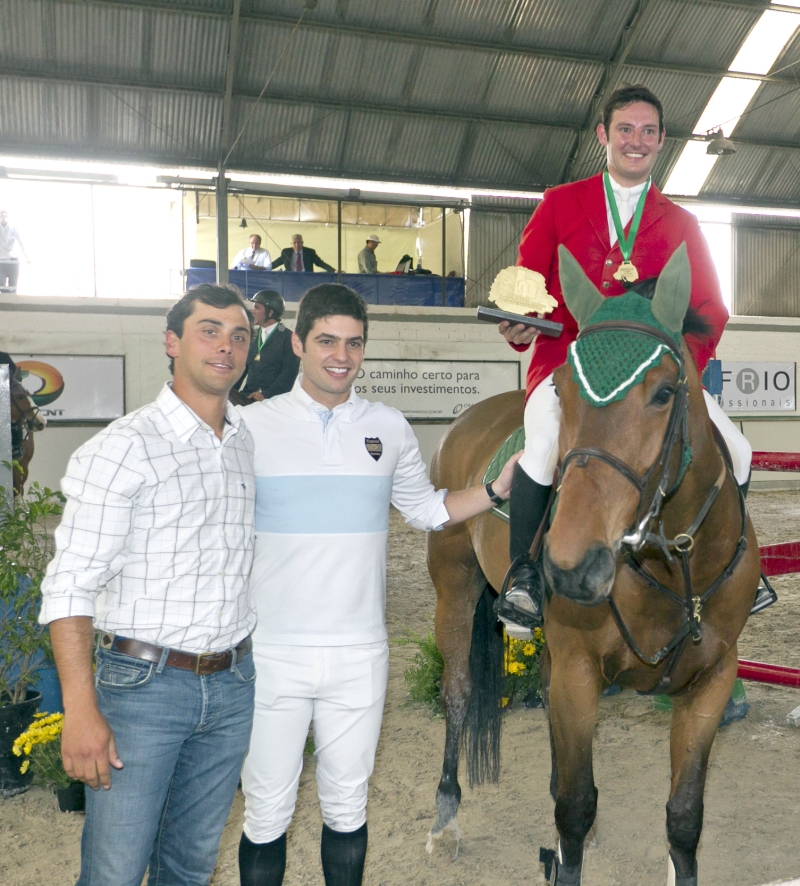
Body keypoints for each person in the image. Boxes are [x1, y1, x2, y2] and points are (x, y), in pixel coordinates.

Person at [236, 284, 521, 886]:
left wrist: (495, 491)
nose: (341, 355)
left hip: (359, 655)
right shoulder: (249, 427)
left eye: (354, 343)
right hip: (272, 655)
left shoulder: (387, 428)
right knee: (266, 814)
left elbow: (425, 508)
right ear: (298, 343)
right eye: (327, 341)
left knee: (347, 809)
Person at [493, 84, 762, 633]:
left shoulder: (682, 223)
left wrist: (676, 370)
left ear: (661, 140)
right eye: (624, 130)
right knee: (544, 443)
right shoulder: (559, 204)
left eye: (647, 132)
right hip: (576, 371)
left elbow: (710, 309)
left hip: (650, 377)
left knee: (736, 446)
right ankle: (523, 576)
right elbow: (525, 291)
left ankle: (735, 571)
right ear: (604, 136)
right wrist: (518, 323)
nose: (635, 141)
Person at [40, 284, 258, 886]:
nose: (226, 346)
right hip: (143, 690)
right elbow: (69, 586)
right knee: (114, 872)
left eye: (239, 335)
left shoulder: (242, 444)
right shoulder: (122, 448)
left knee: (188, 868)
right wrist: (80, 710)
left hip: (233, 684)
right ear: (172, 342)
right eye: (209, 330)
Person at [239, 289, 300, 401]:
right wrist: (229, 392)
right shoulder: (252, 336)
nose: (253, 311)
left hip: (276, 399)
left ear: (270, 312)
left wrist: (266, 395)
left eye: (257, 308)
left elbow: (288, 374)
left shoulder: (288, 338)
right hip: (249, 395)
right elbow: (243, 368)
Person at [0, 209, 29, 291]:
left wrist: (27, 257)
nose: (3, 218)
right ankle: (6, 298)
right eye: (1, 216)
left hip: (12, 260)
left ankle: (11, 298)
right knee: (1, 283)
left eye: (5, 216)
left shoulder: (14, 229)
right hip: (1, 261)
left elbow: (22, 243)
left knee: (13, 286)